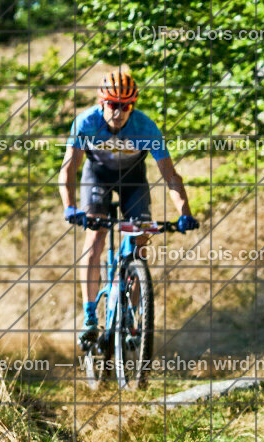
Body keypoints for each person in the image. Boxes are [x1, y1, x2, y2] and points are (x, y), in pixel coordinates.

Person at [58, 69, 198, 346]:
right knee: (95, 234)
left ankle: (133, 316)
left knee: (139, 242)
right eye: (113, 105)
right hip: (97, 176)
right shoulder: (86, 123)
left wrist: (185, 213)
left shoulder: (145, 127)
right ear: (102, 103)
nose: (118, 112)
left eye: (125, 106)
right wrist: (71, 207)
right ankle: (89, 317)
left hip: (133, 181)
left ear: (132, 106)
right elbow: (69, 168)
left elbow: (171, 176)